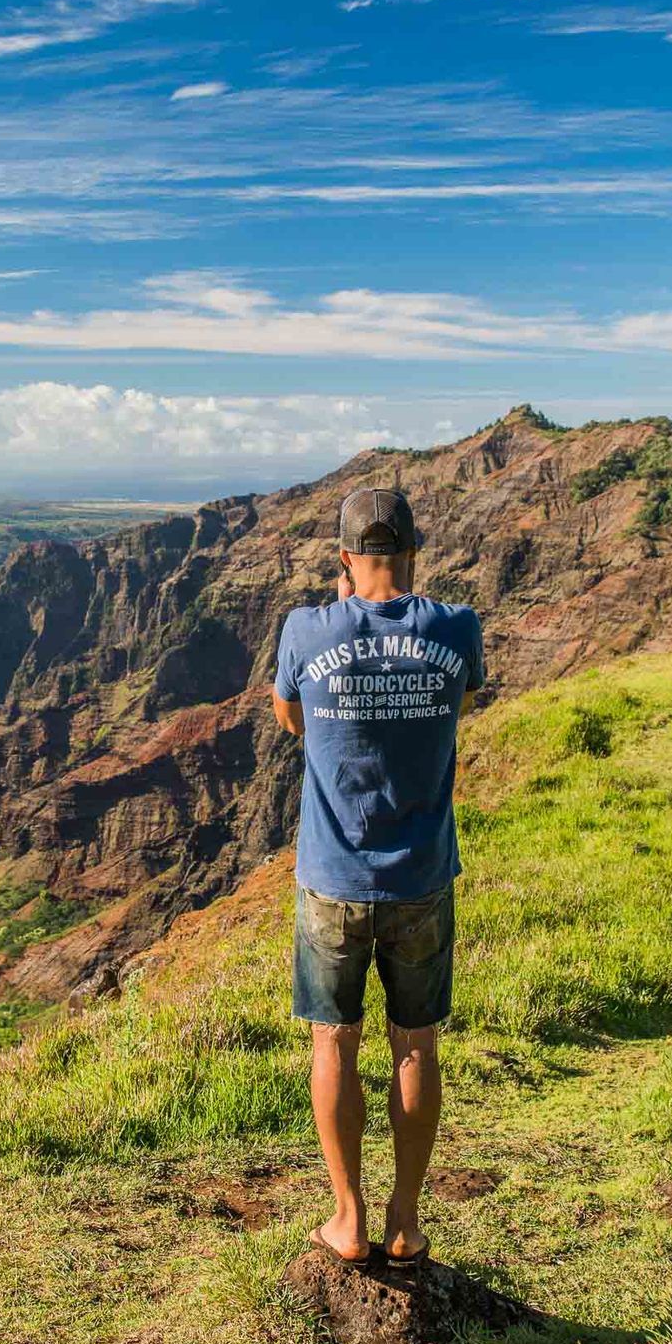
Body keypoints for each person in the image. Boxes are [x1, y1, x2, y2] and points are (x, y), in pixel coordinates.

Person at [270, 486, 485, 1266]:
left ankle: (347, 1217)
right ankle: (405, 1220)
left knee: (334, 1040)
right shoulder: (455, 627)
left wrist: (343, 619)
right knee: (415, 1044)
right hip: (421, 878)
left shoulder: (305, 628)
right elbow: (459, 700)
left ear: (344, 559)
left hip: (331, 876)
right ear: (415, 553)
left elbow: (292, 718)